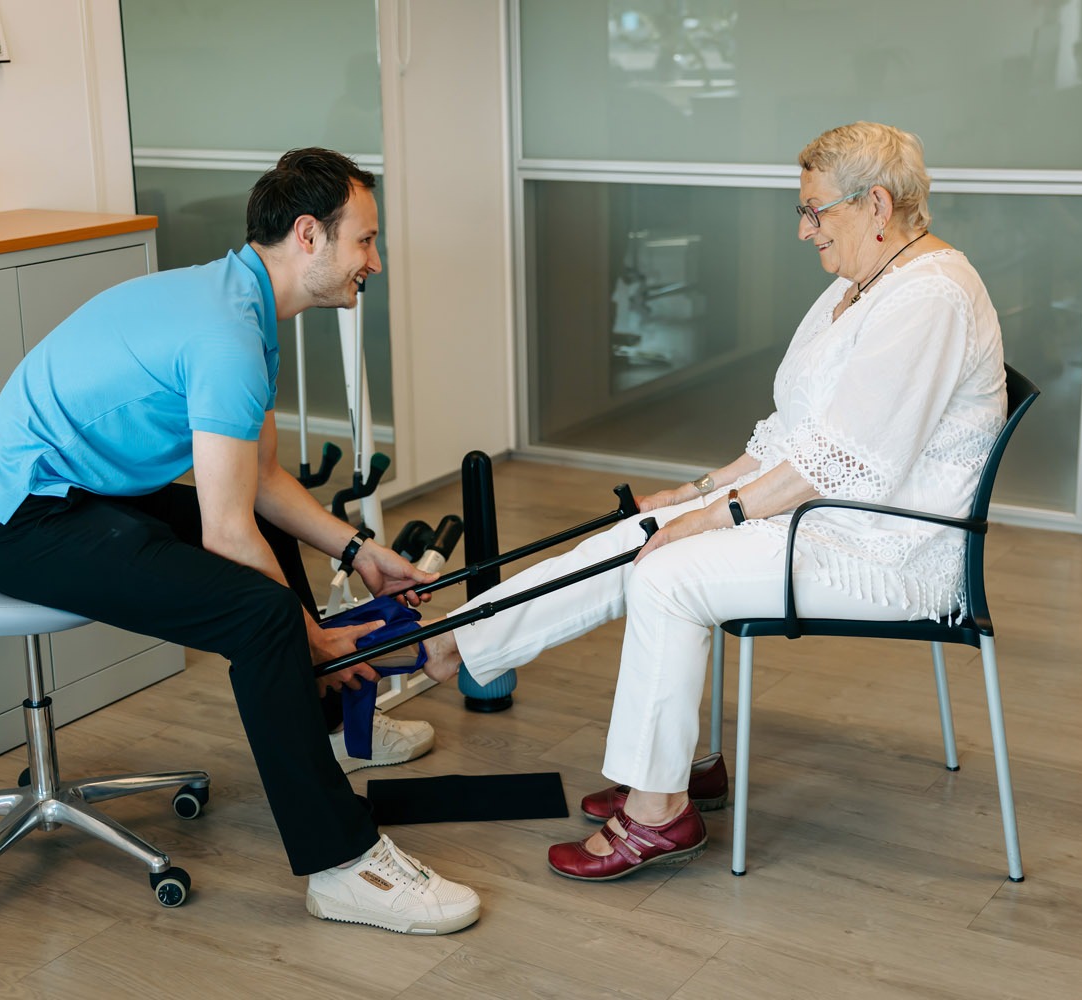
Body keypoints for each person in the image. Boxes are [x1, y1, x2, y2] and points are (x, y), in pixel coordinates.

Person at [422, 121, 1007, 881]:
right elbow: (792, 436)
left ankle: (660, 811)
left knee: (668, 572)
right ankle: (457, 646)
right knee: (642, 532)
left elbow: (843, 459)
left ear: (877, 205)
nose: (804, 231)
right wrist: (697, 492)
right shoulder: (859, 284)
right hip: (827, 516)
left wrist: (720, 515)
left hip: (889, 548)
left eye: (816, 212)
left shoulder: (929, 298)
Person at [0, 148, 481, 934]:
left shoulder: (241, 304)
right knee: (263, 616)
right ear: (309, 235)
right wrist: (318, 640)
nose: (375, 260)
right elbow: (225, 530)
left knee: (271, 556)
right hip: (24, 522)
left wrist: (356, 551)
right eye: (365, 240)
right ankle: (341, 866)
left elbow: (260, 481)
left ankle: (334, 733)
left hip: (88, 494)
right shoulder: (230, 337)